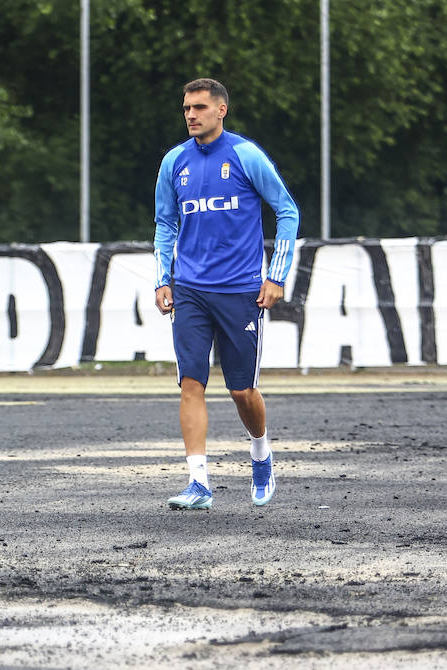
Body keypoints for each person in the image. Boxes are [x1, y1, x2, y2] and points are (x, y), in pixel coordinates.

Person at [153, 77, 299, 510]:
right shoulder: (173, 161)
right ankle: (199, 483)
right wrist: (164, 279)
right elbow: (165, 223)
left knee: (241, 391)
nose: (191, 115)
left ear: (221, 110)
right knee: (190, 383)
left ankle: (260, 454)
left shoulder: (245, 155)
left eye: (199, 107)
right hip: (191, 291)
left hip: (240, 292)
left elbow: (287, 210)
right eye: (185, 109)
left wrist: (276, 275)